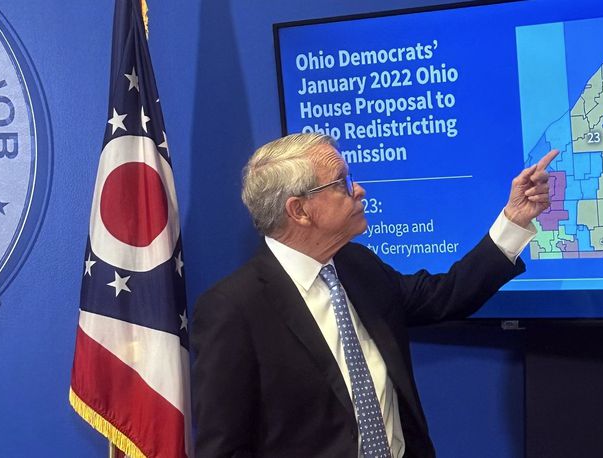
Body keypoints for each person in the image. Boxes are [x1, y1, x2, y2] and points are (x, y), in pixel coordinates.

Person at [191, 133, 557, 458]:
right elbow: (223, 448)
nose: (359, 191)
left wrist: (514, 219)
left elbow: (443, 295)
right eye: (341, 183)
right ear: (298, 210)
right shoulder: (233, 309)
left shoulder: (357, 264)